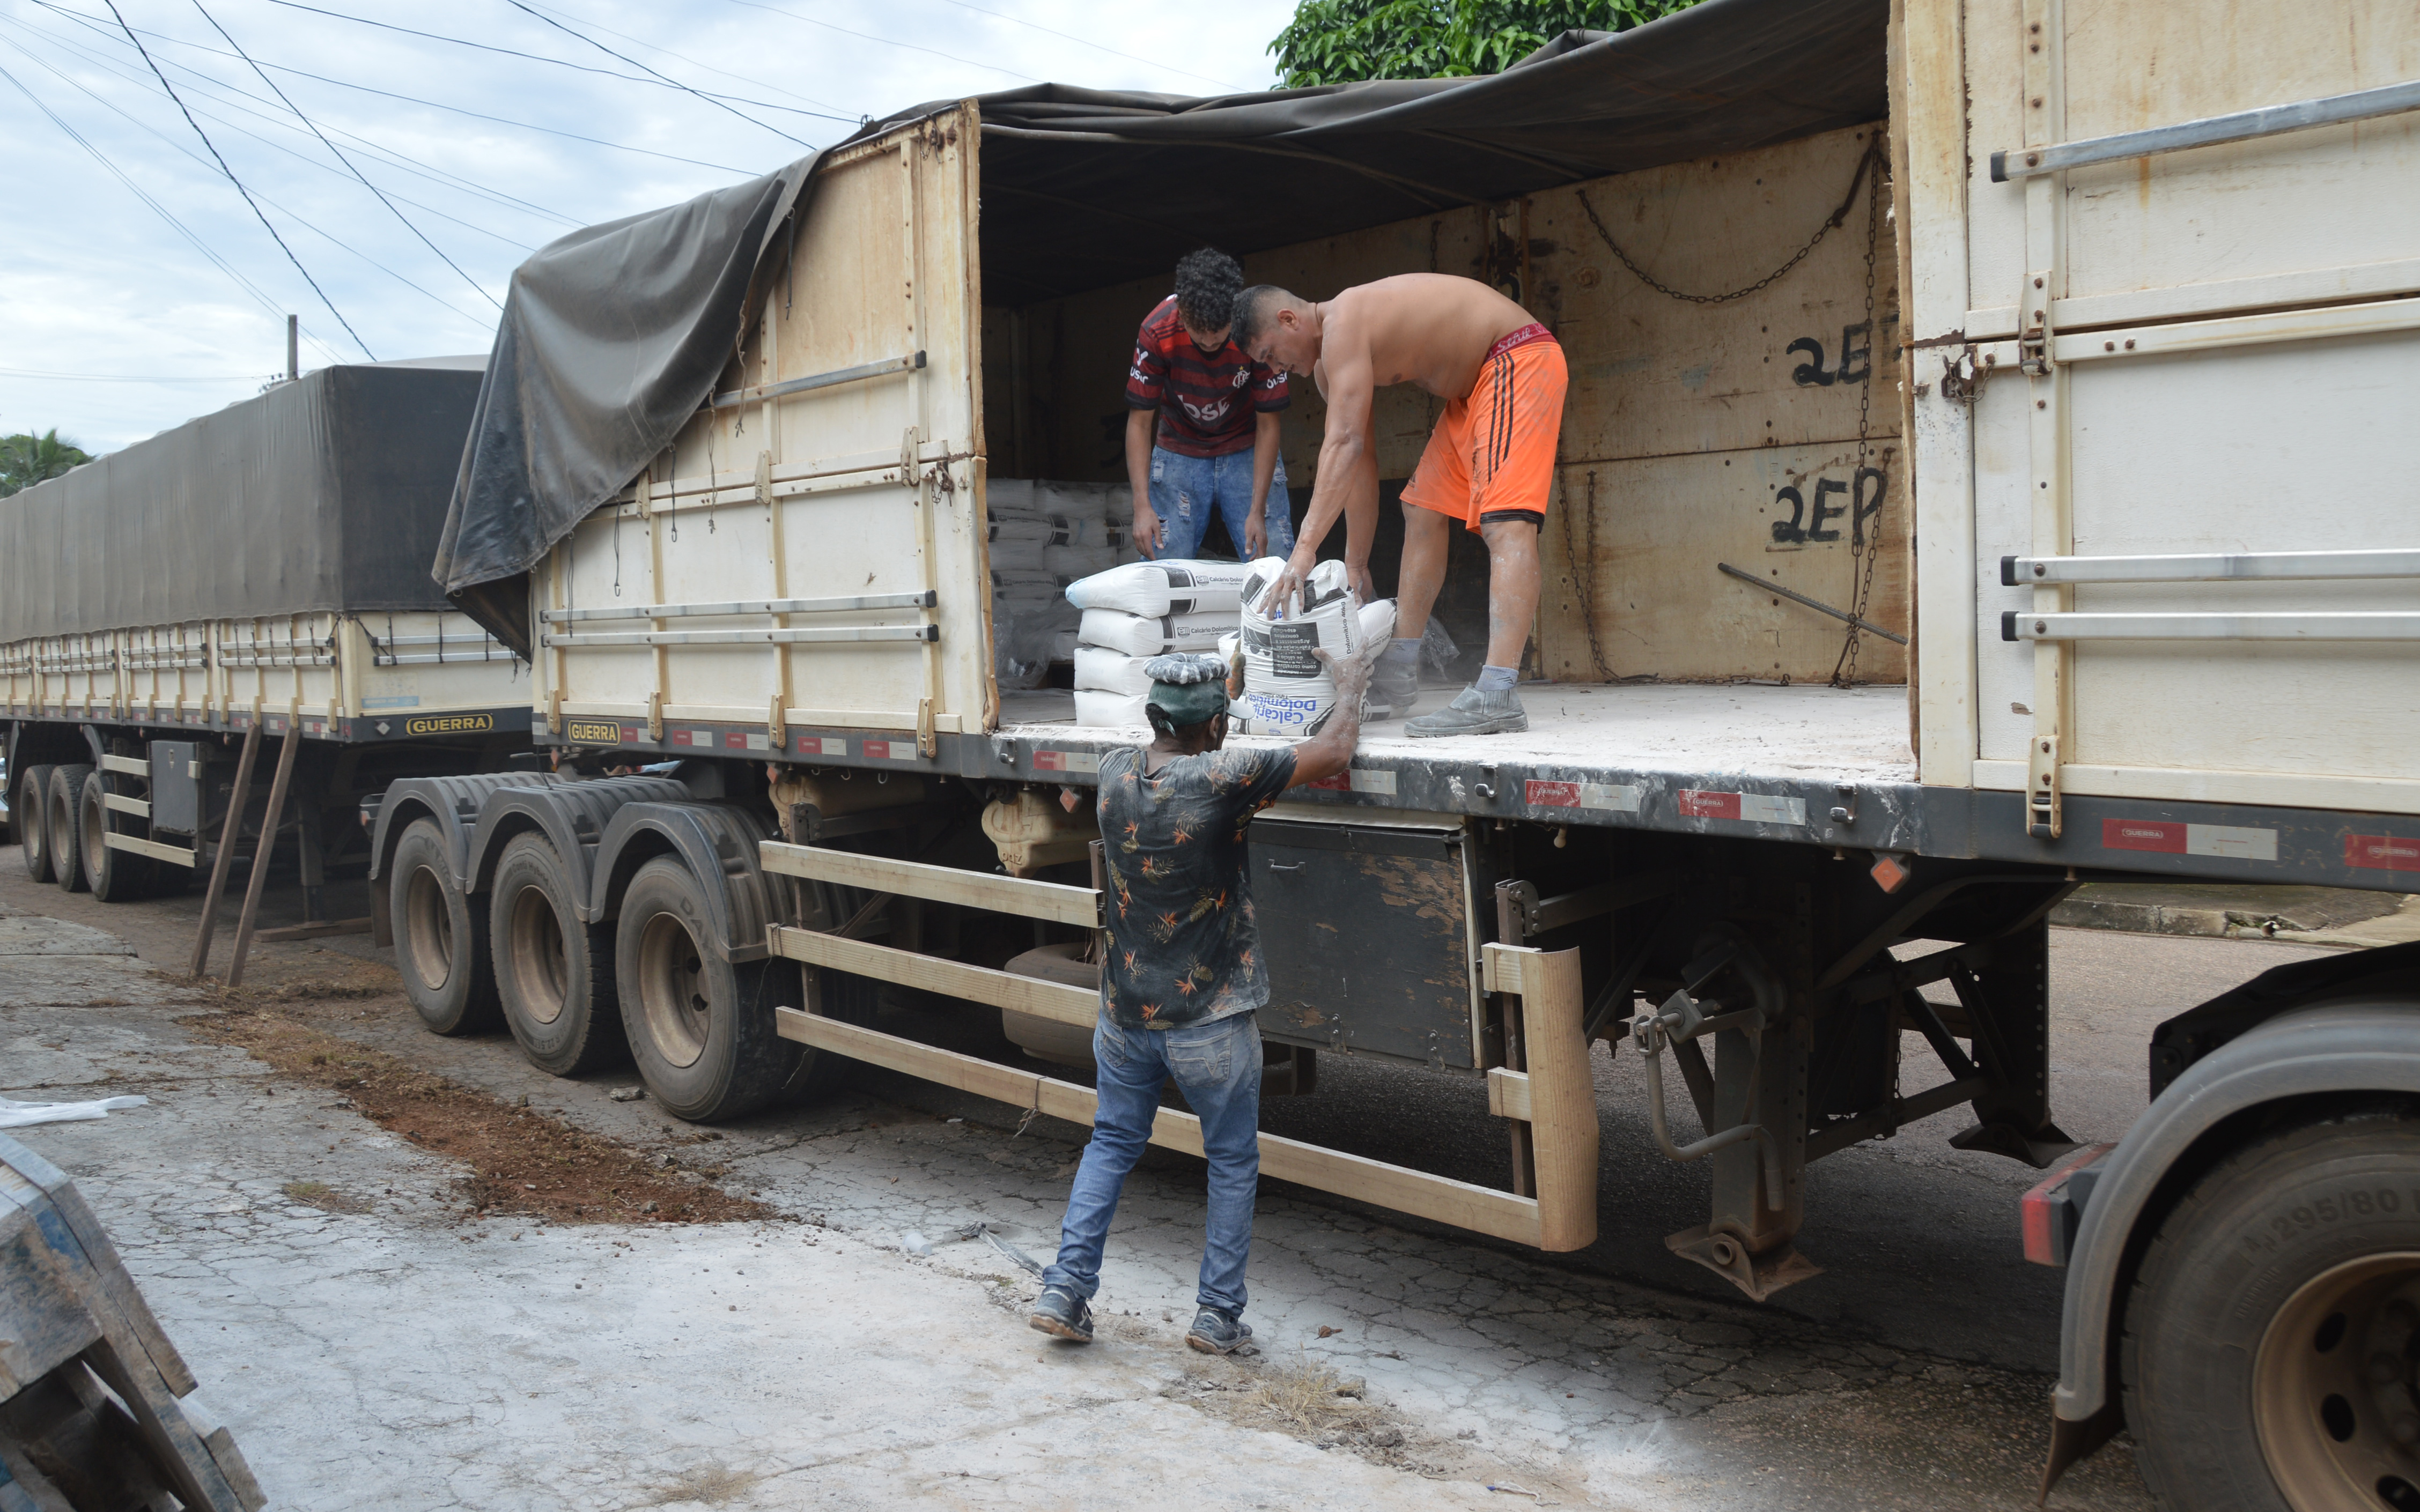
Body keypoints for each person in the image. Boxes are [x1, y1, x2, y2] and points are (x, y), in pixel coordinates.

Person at [1030, 642, 1375, 1353]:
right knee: (1230, 1158)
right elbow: (1335, 748)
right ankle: (1217, 1315)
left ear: (1152, 716)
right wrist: (1352, 677)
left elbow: (1188, 741)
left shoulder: (1113, 774)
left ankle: (1066, 1292)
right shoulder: (1229, 777)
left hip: (1126, 1015)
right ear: (1219, 725)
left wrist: (1224, 687)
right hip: (1211, 1020)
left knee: (1113, 1141)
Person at [1232, 275, 1569, 737]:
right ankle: (1400, 669)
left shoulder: (1344, 320)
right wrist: (1355, 564)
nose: (1275, 369)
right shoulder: (1331, 367)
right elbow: (1360, 459)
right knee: (1422, 507)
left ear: (1289, 320)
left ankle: (1498, 693)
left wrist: (1304, 550)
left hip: (1515, 357)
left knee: (1505, 524)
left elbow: (1344, 443)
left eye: (1271, 355)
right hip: (1472, 392)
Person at [1125, 249, 1295, 565]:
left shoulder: (1258, 329)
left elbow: (1270, 424)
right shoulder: (1156, 330)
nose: (1207, 344)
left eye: (1217, 339)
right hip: (1179, 447)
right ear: (1183, 311)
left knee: (1273, 562)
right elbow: (1139, 422)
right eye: (1198, 336)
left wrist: (1257, 510)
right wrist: (1141, 506)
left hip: (1246, 448)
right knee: (1166, 568)